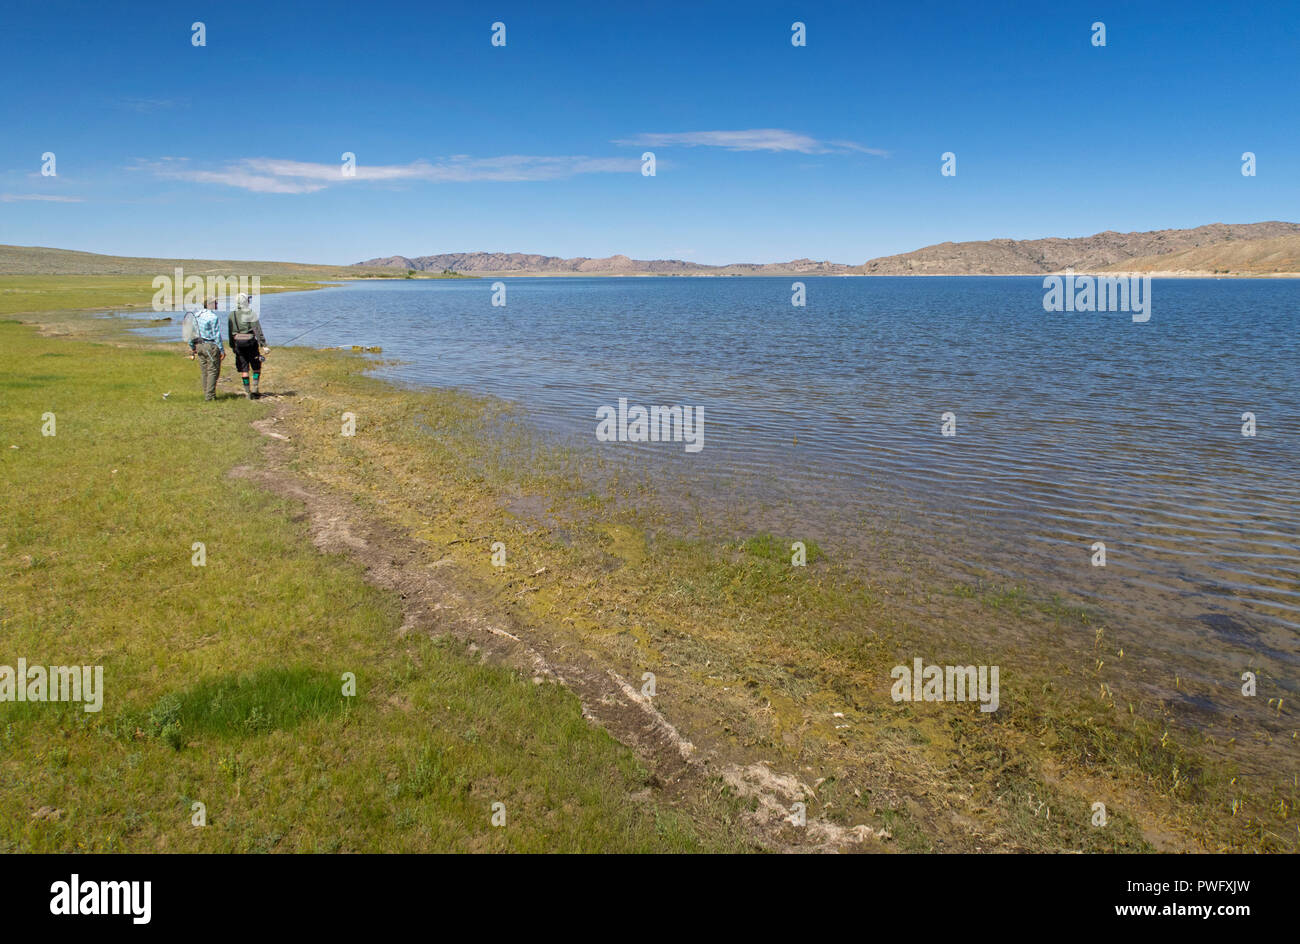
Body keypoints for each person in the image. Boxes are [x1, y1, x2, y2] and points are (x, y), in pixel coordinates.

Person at [227, 293, 269, 399]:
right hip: (251, 344)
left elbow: (230, 332)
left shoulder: (232, 315)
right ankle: (255, 389)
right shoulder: (250, 313)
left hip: (238, 344)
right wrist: (263, 344)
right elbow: (257, 330)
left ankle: (247, 392)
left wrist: (232, 346)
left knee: (244, 369)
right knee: (256, 367)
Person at [187, 297, 225, 401]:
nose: (217, 304)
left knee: (204, 371)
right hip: (210, 345)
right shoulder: (213, 317)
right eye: (216, 302)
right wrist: (222, 350)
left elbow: (191, 332)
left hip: (198, 345)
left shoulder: (196, 315)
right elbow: (216, 335)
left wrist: (192, 346)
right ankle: (210, 396)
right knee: (213, 370)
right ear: (210, 304)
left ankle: (207, 394)